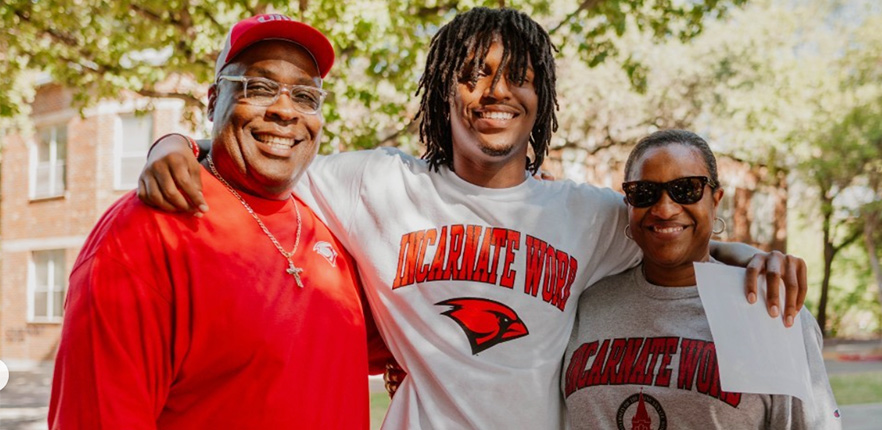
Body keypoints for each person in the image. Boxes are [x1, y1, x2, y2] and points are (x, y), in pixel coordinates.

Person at [138, 8, 808, 429]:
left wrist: (746, 255)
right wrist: (174, 142)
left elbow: (670, 229)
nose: (496, 91)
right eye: (473, 74)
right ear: (442, 93)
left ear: (539, 100)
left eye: (518, 76)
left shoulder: (586, 214)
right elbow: (269, 147)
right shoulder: (374, 183)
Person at [49, 15, 384, 429]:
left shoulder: (336, 222)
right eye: (258, 88)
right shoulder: (147, 229)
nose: (284, 110)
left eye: (305, 96)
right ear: (212, 101)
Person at [562, 129, 840, 429]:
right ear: (628, 204)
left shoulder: (772, 310)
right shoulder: (585, 302)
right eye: (644, 192)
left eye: (687, 189)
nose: (665, 209)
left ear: (716, 200)